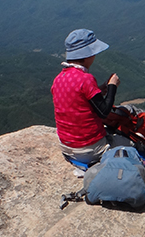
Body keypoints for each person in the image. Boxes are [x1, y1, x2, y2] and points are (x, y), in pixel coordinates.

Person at [51, 29, 120, 165]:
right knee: (129, 144)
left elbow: (78, 100)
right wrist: (113, 86)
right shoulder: (86, 79)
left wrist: (99, 90)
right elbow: (104, 112)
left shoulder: (59, 79)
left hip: (67, 147)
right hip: (89, 149)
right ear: (88, 55)